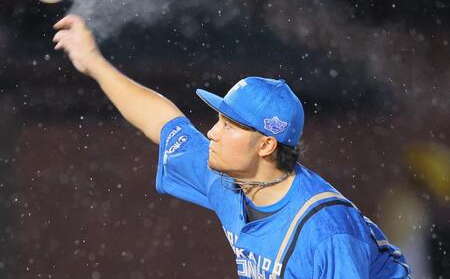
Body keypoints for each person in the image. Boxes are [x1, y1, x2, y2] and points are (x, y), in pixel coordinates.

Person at [52, 15, 411, 279]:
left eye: (228, 125)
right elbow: (162, 123)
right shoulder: (229, 178)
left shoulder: (325, 231)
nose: (211, 133)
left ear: (266, 144)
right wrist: (94, 63)